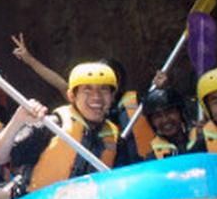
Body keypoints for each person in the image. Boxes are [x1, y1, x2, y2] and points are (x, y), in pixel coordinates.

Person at [0, 62, 122, 199]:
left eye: (104, 89)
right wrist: (18, 120)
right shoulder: (53, 126)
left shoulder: (114, 135)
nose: (96, 97)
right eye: (87, 90)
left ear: (112, 97)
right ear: (72, 96)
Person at [11, 33, 150, 162]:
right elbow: (59, 83)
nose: (97, 94)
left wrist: (160, 86)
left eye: (105, 85)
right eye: (92, 85)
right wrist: (30, 60)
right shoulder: (84, 101)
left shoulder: (135, 101)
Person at [139, 82, 198, 159]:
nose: (165, 119)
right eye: (158, 116)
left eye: (170, 112)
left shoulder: (202, 139)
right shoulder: (152, 156)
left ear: (180, 112)